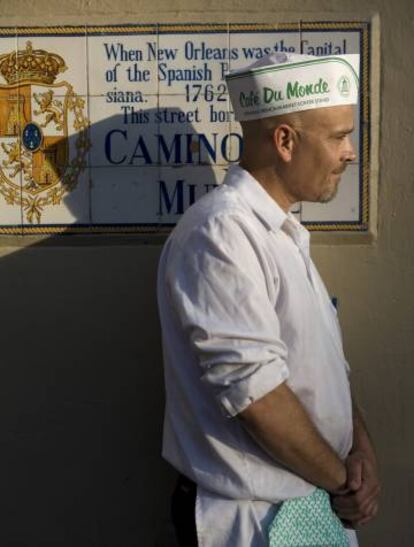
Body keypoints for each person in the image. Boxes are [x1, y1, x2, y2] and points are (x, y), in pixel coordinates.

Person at [157, 52, 380, 547]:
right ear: (284, 141)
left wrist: (358, 451)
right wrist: (343, 481)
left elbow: (324, 371)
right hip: (250, 524)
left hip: (305, 504)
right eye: (339, 136)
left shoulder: (282, 233)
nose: (350, 152)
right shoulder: (220, 233)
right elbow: (256, 395)